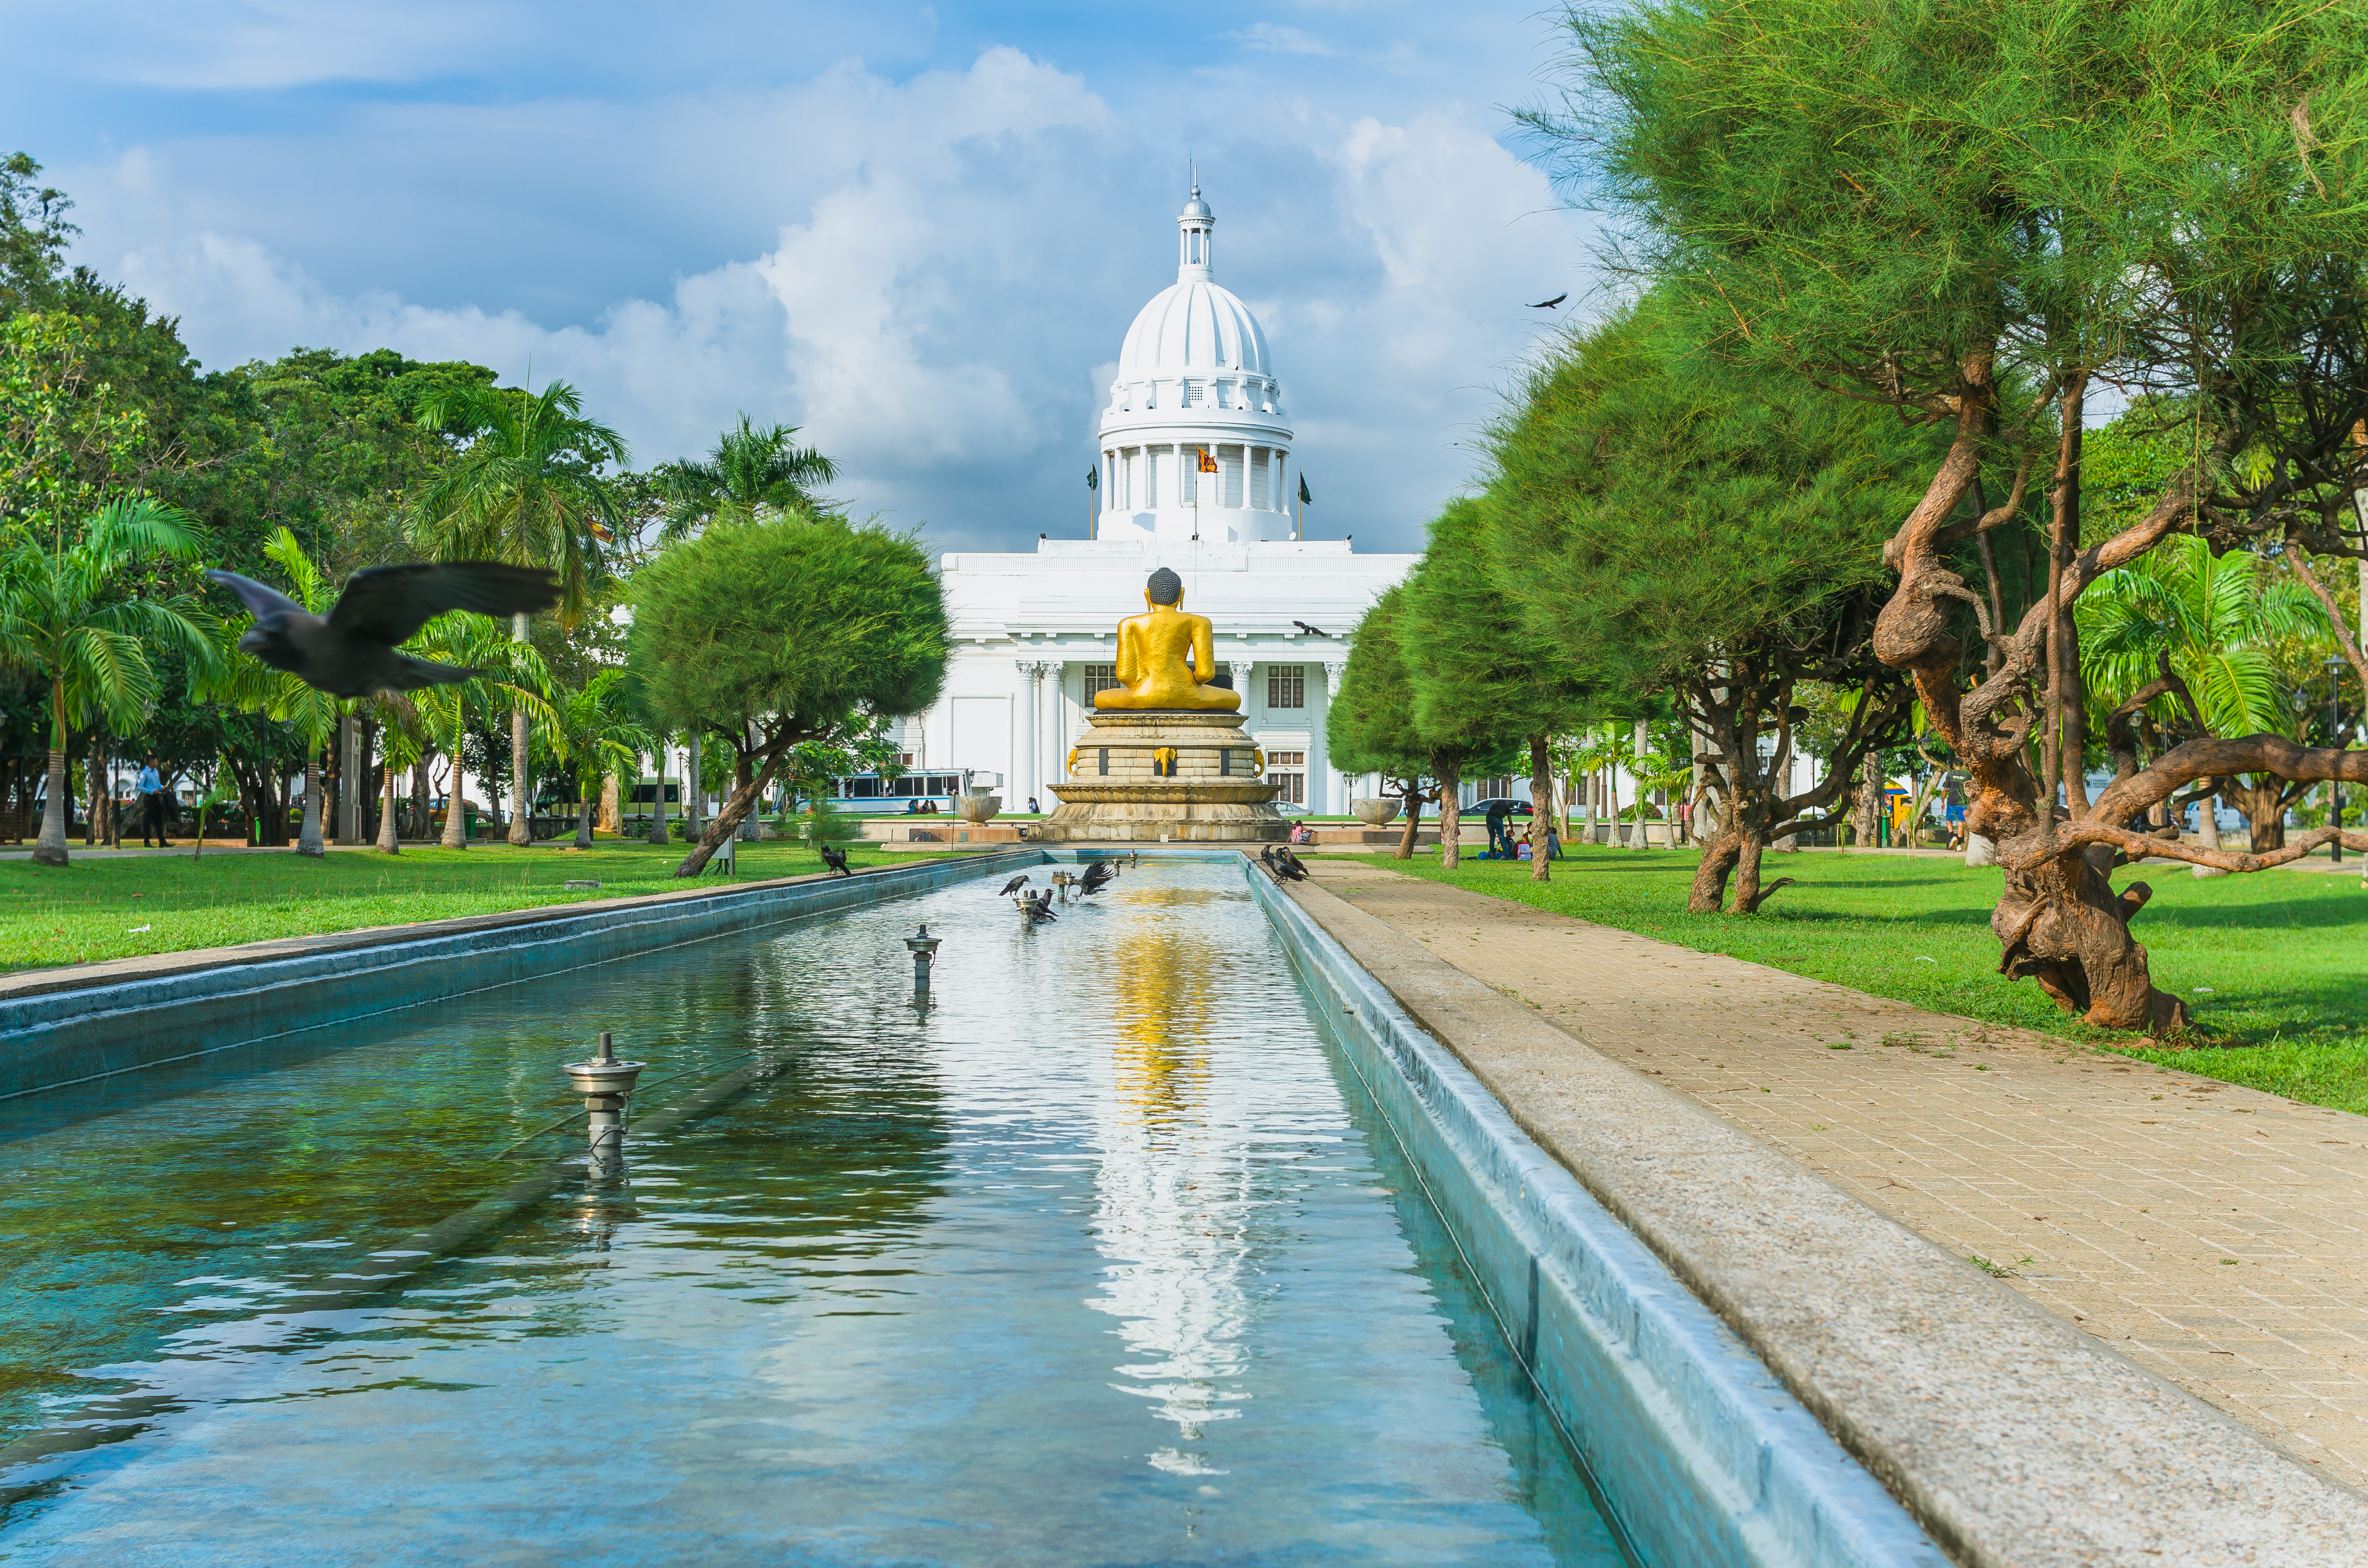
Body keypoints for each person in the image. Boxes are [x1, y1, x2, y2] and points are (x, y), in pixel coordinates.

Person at [135, 755, 169, 848]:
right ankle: (147, 841)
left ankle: (162, 841)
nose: (157, 763)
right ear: (151, 762)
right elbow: (140, 787)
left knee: (159, 819)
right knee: (148, 820)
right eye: (156, 762)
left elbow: (158, 785)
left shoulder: (156, 772)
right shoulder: (144, 773)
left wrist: (162, 788)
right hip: (149, 798)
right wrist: (151, 791)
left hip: (156, 798)